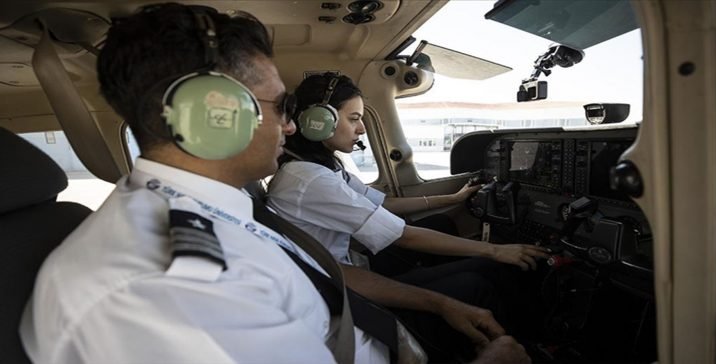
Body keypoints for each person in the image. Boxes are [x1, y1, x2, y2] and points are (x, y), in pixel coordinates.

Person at [18, 3, 530, 364]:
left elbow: (324, 276)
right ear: (212, 114)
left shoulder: (224, 205)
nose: (289, 126)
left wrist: (439, 302)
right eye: (279, 106)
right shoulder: (166, 284)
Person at [267, 73, 549, 361]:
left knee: (443, 227)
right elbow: (404, 236)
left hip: (348, 274)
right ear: (319, 121)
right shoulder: (310, 180)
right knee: (480, 277)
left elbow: (383, 203)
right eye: (354, 119)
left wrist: (450, 199)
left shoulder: (321, 167)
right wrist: (494, 250)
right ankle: (529, 349)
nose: (362, 128)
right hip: (348, 295)